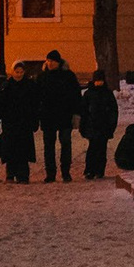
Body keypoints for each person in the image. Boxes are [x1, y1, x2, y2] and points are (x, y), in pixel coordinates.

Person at [0, 59, 39, 183]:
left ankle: (23, 175)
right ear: (12, 72)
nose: (19, 74)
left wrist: (35, 120)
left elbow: (34, 105)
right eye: (17, 72)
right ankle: (10, 174)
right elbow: (0, 105)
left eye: (21, 72)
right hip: (10, 123)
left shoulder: (30, 86)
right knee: (10, 150)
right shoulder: (6, 86)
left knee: (23, 150)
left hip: (24, 123)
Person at [37, 51, 81, 182]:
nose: (50, 63)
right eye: (48, 61)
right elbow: (37, 96)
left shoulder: (68, 76)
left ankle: (65, 172)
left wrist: (76, 113)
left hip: (64, 115)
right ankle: (50, 173)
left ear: (58, 62)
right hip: (48, 115)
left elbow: (76, 96)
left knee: (65, 144)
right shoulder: (42, 77)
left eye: (52, 61)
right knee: (49, 146)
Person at [78, 69, 119, 180]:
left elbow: (113, 111)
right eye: (97, 80)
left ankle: (99, 170)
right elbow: (84, 112)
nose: (99, 83)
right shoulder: (89, 94)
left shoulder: (107, 93)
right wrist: (83, 126)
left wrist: (111, 125)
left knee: (101, 149)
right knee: (92, 149)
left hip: (104, 126)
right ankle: (90, 170)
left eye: (100, 80)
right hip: (92, 126)